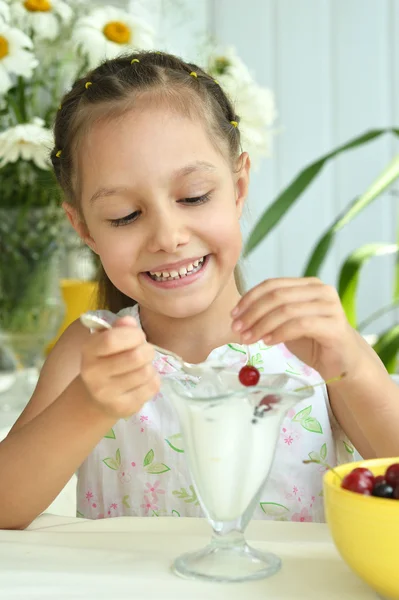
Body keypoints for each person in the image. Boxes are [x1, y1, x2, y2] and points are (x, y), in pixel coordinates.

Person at [1, 51, 398, 530]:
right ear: (84, 227)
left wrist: (351, 369)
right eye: (125, 215)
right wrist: (89, 404)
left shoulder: (313, 346)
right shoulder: (89, 350)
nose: (168, 237)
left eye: (193, 197)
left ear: (238, 186)